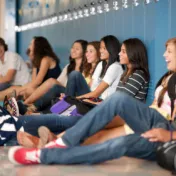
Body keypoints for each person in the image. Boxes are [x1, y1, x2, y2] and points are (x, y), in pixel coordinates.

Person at [8, 37, 176, 165]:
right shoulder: (168, 77)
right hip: (148, 118)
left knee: (111, 140)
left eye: (169, 51)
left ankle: (43, 147)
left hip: (153, 122)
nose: (164, 55)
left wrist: (170, 134)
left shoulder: (131, 72)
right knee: (97, 121)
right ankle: (51, 137)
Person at [17, 38, 150, 148]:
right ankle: (36, 128)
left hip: (116, 114)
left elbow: (119, 101)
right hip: (108, 109)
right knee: (69, 117)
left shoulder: (137, 75)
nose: (120, 54)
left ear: (133, 54)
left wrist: (79, 100)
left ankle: (35, 128)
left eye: (123, 52)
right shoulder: (126, 73)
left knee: (70, 118)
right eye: (120, 51)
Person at [0, 36, 61, 101]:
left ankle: (21, 104)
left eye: (31, 44)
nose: (29, 46)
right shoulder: (36, 62)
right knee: (17, 90)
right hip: (41, 88)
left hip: (51, 89)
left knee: (19, 90)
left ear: (38, 46)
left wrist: (21, 89)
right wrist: (22, 89)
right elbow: (33, 81)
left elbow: (38, 81)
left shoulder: (46, 59)